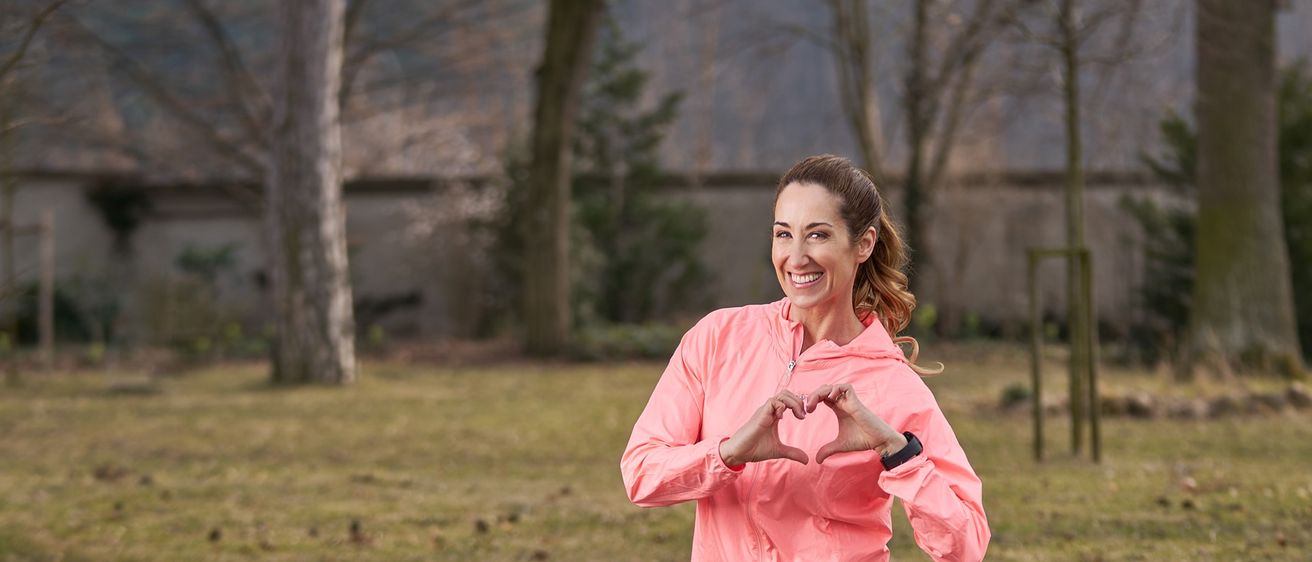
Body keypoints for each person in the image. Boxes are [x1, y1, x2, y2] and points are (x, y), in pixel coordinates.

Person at [620, 154, 989, 561]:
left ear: (863, 244)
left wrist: (897, 452)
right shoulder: (718, 337)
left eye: (817, 235)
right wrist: (727, 454)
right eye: (783, 234)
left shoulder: (893, 385)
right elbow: (641, 475)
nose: (796, 257)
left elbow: (966, 546)